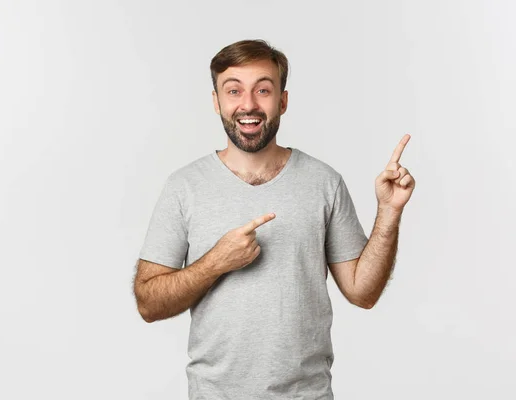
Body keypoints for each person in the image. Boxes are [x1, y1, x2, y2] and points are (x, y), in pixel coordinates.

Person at [133, 39, 416, 400]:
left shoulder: (323, 182)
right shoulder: (184, 187)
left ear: (282, 101)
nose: (248, 104)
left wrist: (389, 213)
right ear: (216, 101)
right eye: (233, 90)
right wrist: (215, 263)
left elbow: (363, 292)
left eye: (262, 90)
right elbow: (148, 303)